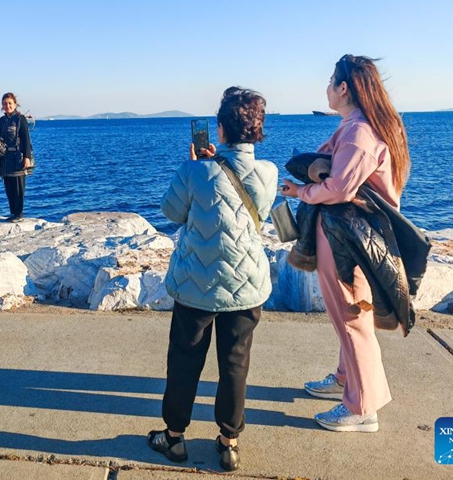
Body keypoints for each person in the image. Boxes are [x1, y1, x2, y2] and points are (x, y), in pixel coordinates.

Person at [148, 87, 278, 472]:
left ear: (220, 129)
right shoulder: (268, 172)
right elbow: (260, 209)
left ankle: (173, 439)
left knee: (184, 361)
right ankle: (229, 442)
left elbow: (172, 211)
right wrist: (214, 165)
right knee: (235, 363)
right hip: (246, 286)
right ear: (257, 131)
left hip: (195, 285)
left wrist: (197, 167)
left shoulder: (194, 171)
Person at [281, 55, 412, 433]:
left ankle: (362, 406)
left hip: (349, 240)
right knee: (349, 312)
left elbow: (338, 188)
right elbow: (326, 165)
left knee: (352, 316)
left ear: (343, 88)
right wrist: (313, 174)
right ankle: (345, 379)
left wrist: (303, 190)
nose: (326, 87)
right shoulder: (355, 127)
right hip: (349, 235)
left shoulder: (359, 133)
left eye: (330, 80)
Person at [0, 92, 34, 223]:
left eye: (10, 103)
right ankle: (13, 213)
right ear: (2, 105)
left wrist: (27, 157)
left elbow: (26, 139)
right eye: (5, 104)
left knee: (19, 187)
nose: (7, 106)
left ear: (15, 104)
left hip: (18, 157)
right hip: (5, 158)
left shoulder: (20, 119)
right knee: (9, 187)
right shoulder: (0, 121)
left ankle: (19, 213)